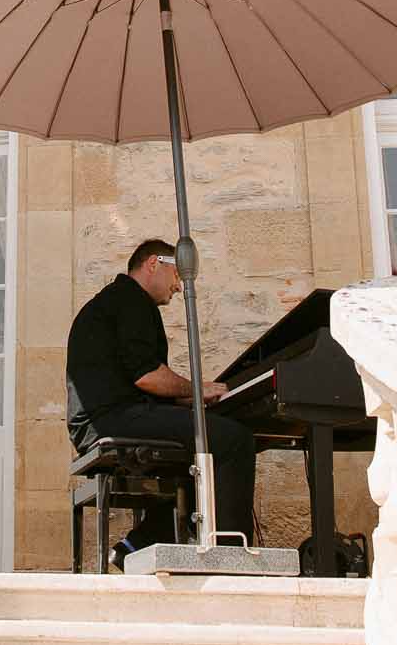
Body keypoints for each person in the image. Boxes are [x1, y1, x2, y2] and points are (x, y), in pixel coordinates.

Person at [66, 237, 256, 568]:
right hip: (113, 419)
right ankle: (231, 559)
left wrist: (189, 399)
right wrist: (199, 389)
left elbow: (136, 381)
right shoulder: (131, 301)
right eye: (177, 276)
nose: (180, 287)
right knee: (234, 440)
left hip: (103, 419)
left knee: (191, 455)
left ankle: (132, 546)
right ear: (154, 262)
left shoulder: (115, 302)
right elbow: (146, 376)